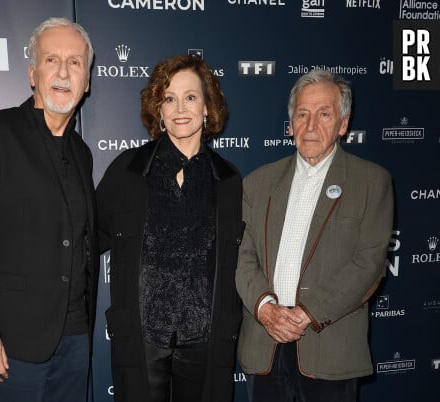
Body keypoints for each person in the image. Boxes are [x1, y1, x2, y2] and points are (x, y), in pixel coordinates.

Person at [0, 17, 98, 402]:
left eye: (76, 62)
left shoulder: (82, 153)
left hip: (76, 336)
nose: (64, 71)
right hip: (12, 341)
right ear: (33, 74)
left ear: (88, 80)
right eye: (52, 60)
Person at [235, 69, 394, 402]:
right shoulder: (256, 183)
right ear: (290, 123)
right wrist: (266, 309)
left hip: (330, 349)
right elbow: (242, 256)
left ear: (343, 124)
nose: (310, 126)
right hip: (265, 345)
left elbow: (368, 263)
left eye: (324, 114)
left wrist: (307, 312)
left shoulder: (371, 182)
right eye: (302, 114)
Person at [96, 54, 245, 402]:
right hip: (142, 340)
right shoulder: (128, 170)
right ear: (158, 110)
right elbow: (88, 239)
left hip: (205, 342)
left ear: (207, 107)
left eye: (191, 97)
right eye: (169, 98)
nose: (180, 108)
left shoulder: (227, 180)